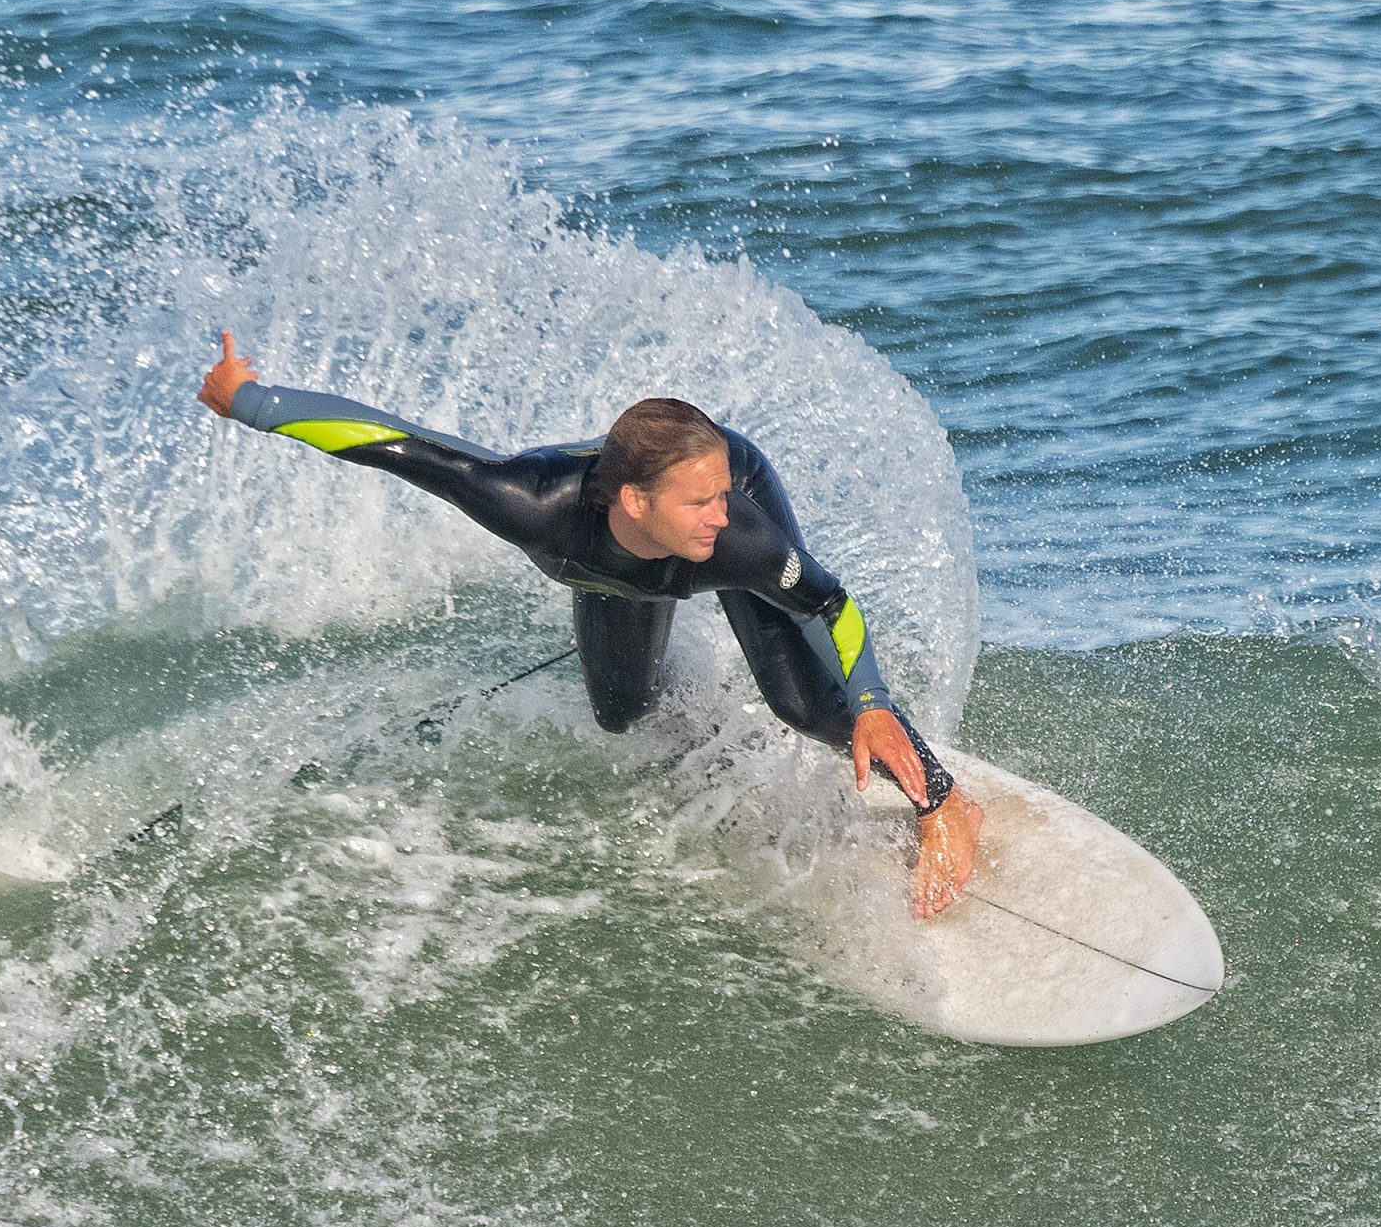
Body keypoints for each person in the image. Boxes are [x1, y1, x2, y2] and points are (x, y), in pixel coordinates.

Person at [196, 332, 982, 915]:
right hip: (616, 566)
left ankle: (947, 803)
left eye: (722, 501)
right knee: (622, 713)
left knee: (807, 704)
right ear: (636, 502)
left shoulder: (737, 530)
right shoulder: (531, 506)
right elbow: (399, 445)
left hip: (706, 494)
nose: (722, 516)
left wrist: (872, 704)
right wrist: (253, 402)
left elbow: (827, 604)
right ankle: (718, 741)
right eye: (702, 505)